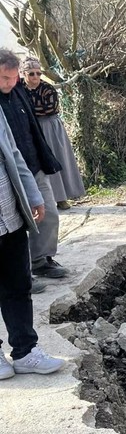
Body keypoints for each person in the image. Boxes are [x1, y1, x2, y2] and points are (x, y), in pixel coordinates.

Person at [0, 105, 66, 379]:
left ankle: (25, 351)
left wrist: (33, 195)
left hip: (9, 214)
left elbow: (13, 153)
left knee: (18, 285)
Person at [0, 49, 68, 284]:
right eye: (4, 78)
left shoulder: (18, 92)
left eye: (12, 77)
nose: (9, 82)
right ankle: (21, 275)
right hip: (7, 175)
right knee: (14, 225)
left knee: (48, 213)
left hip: (33, 165)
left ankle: (41, 261)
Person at [21, 57, 86, 209]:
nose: (35, 77)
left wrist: (27, 112)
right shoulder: (20, 89)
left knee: (55, 158)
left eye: (38, 73)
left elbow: (49, 109)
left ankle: (61, 198)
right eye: (31, 74)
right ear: (24, 74)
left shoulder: (48, 89)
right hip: (30, 128)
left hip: (49, 126)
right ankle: (40, 201)